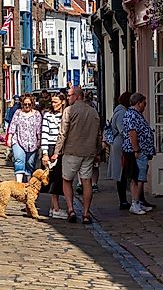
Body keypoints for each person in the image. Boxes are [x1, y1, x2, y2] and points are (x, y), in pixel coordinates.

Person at [51, 86, 102, 224]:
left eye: (69, 95)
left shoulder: (69, 111)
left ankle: (71, 209)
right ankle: (86, 214)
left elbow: (63, 133)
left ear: (77, 96)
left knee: (67, 180)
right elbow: (98, 134)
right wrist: (98, 151)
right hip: (89, 152)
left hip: (72, 150)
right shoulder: (93, 112)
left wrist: (56, 152)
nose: (67, 98)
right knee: (86, 181)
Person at [122, 92, 156, 215]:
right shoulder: (132, 115)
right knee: (138, 178)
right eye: (144, 103)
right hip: (136, 152)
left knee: (140, 177)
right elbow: (132, 133)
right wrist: (136, 150)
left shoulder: (136, 114)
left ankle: (139, 202)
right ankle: (135, 203)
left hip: (141, 151)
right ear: (138, 103)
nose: (145, 106)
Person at [41, 93, 67, 219]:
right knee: (55, 178)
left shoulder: (66, 115)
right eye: (52, 102)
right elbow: (44, 134)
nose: (53, 104)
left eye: (56, 102)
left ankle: (53, 208)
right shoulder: (47, 116)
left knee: (61, 178)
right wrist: (45, 153)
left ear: (62, 102)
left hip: (64, 148)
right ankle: (56, 208)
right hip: (52, 147)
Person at [6, 95, 42, 183]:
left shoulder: (37, 114)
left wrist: (39, 140)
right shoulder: (18, 113)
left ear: (32, 104)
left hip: (33, 143)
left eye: (29, 104)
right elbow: (13, 125)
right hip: (18, 140)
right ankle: (19, 183)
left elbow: (39, 128)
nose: (27, 106)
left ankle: (28, 183)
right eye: (25, 104)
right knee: (19, 160)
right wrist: (9, 138)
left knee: (30, 163)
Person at [107, 92, 132, 210]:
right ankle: (123, 200)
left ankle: (124, 200)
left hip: (120, 143)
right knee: (121, 172)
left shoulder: (119, 111)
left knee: (122, 172)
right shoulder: (122, 113)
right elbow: (123, 130)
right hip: (121, 144)